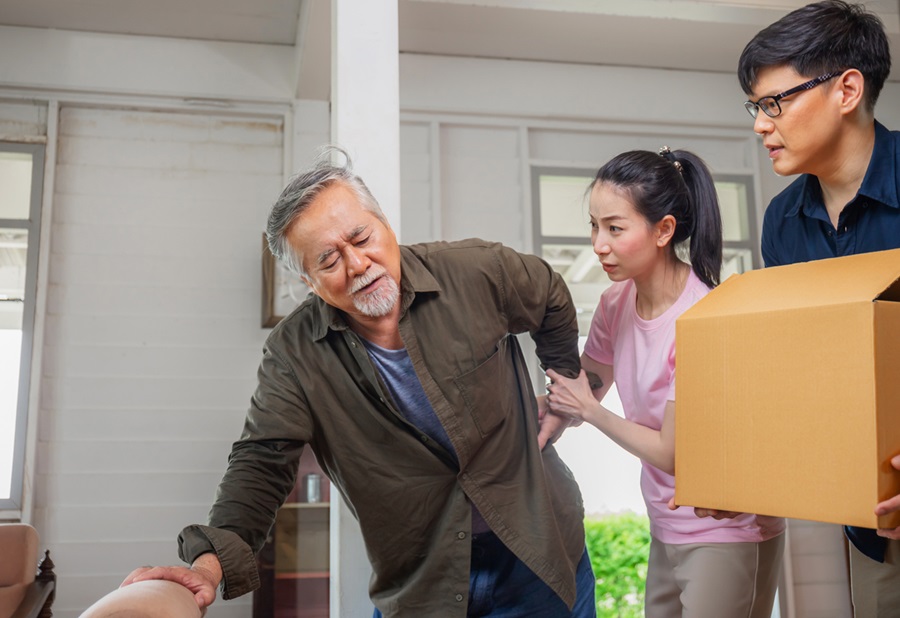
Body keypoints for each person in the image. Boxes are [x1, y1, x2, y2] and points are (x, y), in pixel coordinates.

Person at [120, 147, 597, 617]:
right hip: (421, 580)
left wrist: (563, 388)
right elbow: (262, 461)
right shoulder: (293, 352)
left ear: (385, 225)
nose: (356, 264)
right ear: (309, 282)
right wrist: (208, 567)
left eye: (362, 238)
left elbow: (551, 294)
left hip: (541, 549)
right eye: (328, 260)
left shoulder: (476, 272)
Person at [544, 147, 785, 617]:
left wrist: (589, 412)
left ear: (664, 230)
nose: (598, 243)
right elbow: (590, 380)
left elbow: (674, 454)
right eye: (594, 225)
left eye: (615, 228)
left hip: (725, 530)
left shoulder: (703, 317)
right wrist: (548, 410)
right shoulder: (616, 303)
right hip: (666, 522)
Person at [737, 2, 900, 615]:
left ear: (847, 89)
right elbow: (806, 366)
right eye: (755, 107)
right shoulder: (783, 220)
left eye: (773, 102)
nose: (760, 124)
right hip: (874, 522)